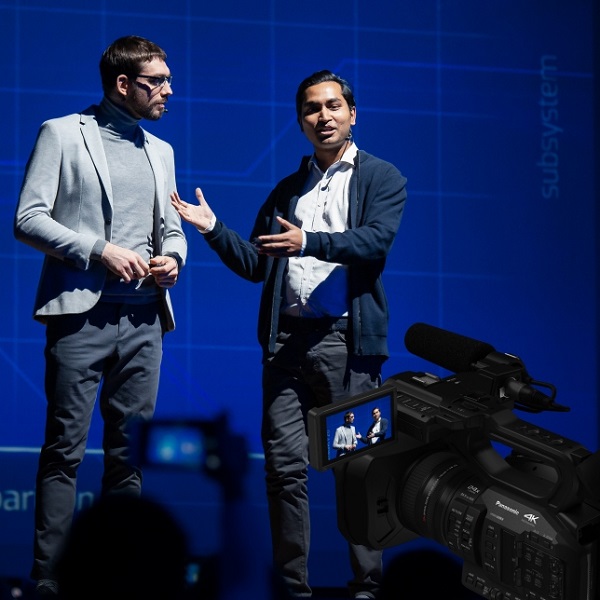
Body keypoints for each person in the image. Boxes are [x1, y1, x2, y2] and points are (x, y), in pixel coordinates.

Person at [171, 69, 407, 599]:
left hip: (348, 344)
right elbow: (258, 264)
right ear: (300, 122)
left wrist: (309, 243)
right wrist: (212, 229)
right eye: (311, 109)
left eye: (332, 106)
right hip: (286, 347)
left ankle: (368, 586)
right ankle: (291, 587)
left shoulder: (382, 177)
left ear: (352, 114)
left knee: (357, 470)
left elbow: (374, 242)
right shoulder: (287, 190)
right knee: (282, 471)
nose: (323, 117)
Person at [14, 35, 187, 596]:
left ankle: (122, 582)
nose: (168, 90)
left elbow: (172, 230)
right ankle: (49, 579)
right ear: (123, 84)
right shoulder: (63, 133)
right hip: (81, 318)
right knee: (64, 451)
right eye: (157, 81)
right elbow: (28, 218)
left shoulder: (161, 150)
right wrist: (98, 250)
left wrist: (174, 258)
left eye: (168, 80)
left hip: (144, 322)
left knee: (129, 456)